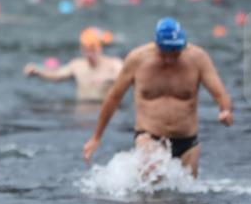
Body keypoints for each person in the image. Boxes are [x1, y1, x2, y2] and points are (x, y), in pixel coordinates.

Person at [83, 18, 233, 177]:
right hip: (149, 136)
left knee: (189, 196)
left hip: (187, 141)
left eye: (175, 52)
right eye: (165, 52)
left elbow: (220, 93)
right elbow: (113, 98)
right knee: (153, 176)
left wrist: (225, 110)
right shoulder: (137, 59)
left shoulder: (198, 59)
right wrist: (96, 137)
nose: (170, 58)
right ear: (156, 45)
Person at [24, 28, 123, 102]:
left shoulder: (114, 64)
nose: (90, 54)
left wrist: (108, 78)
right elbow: (57, 75)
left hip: (105, 109)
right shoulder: (77, 65)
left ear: (99, 48)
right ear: (82, 50)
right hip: (82, 109)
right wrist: (38, 72)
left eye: (93, 50)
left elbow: (125, 77)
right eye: (86, 51)